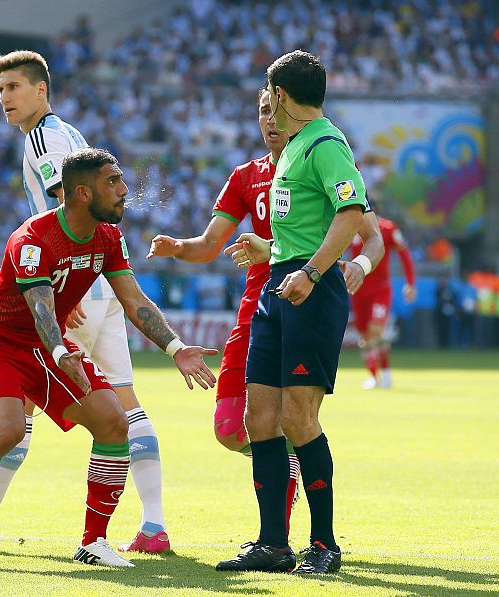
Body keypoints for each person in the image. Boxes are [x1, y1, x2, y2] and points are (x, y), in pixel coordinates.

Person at [0, 148, 217, 567]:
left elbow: (133, 299)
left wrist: (176, 348)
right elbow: (40, 306)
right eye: (113, 181)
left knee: (113, 421)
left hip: (48, 347)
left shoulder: (109, 236)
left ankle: (93, 542)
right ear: (82, 193)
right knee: (8, 431)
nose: (124, 190)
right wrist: (59, 350)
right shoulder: (32, 239)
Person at [0, 50, 171, 555]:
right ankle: (153, 525)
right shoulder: (68, 137)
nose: (4, 98)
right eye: (0, 89)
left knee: (17, 409)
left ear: (41, 90)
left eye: (15, 87)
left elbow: (65, 210)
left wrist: (61, 291)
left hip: (75, 288)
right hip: (103, 282)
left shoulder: (46, 138)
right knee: (124, 404)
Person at [148, 89, 384, 538]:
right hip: (260, 308)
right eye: (262, 112)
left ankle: (298, 535)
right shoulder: (246, 176)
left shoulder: (322, 157)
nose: (269, 120)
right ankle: (277, 522)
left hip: (306, 295)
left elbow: (368, 232)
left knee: (294, 418)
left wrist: (358, 264)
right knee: (235, 426)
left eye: (275, 109)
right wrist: (179, 248)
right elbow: (209, 243)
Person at [220, 50, 367, 574]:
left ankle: (325, 544)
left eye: (268, 95)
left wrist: (310, 272)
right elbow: (305, 221)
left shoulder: (325, 143)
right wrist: (273, 252)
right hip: (280, 283)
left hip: (310, 288)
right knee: (259, 416)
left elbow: (352, 212)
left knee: (298, 418)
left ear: (280, 95)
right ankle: (273, 543)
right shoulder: (295, 147)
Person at [350, 213, 415, 389]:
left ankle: (385, 374)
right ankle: (373, 376)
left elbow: (404, 254)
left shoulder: (387, 228)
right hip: (358, 288)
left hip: (380, 289)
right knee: (364, 335)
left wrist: (410, 283)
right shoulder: (349, 225)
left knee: (376, 330)